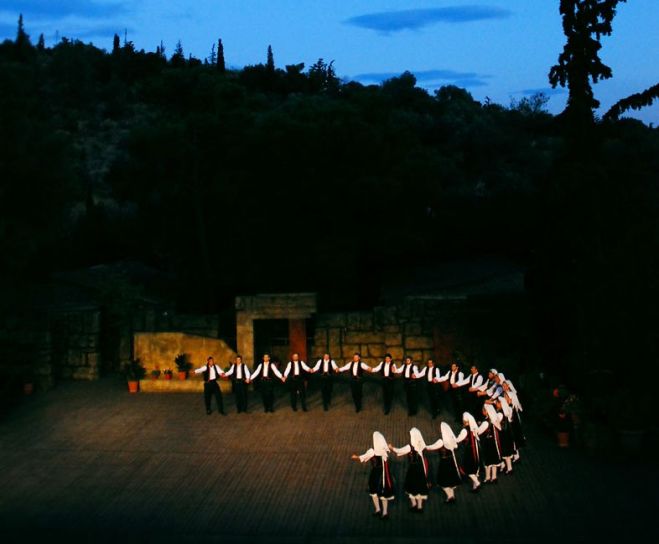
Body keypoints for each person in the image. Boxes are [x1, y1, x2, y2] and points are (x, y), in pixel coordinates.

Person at [389, 427, 443, 512]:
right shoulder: (423, 446)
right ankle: (419, 506)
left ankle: (414, 504)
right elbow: (432, 446)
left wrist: (392, 448)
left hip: (413, 469)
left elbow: (399, 451)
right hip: (421, 469)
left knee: (411, 486)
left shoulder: (410, 447)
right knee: (420, 486)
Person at [351, 431, 395, 520]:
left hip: (375, 474)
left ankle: (378, 509)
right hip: (383, 475)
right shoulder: (384, 453)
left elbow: (363, 457)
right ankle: (385, 512)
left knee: (374, 492)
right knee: (383, 493)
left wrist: (355, 457)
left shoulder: (372, 451)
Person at [456, 412, 486, 492]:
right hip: (475, 450)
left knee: (467, 469)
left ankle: (477, 483)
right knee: (474, 468)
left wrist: (452, 441)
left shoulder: (465, 430)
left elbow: (458, 439)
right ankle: (474, 487)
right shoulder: (473, 427)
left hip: (469, 452)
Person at [435, 422, 462, 503]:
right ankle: (452, 496)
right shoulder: (451, 440)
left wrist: (424, 446)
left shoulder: (441, 442)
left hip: (444, 464)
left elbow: (433, 447)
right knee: (451, 480)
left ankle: (450, 496)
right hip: (451, 462)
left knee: (444, 482)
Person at [481, 403, 503, 484]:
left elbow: (479, 432)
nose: (482, 411)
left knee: (488, 460)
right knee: (494, 460)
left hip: (488, 443)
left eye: (483, 410)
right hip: (495, 442)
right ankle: (494, 477)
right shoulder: (494, 419)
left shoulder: (486, 422)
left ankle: (487, 477)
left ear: (486, 412)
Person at [497, 397, 516, 474]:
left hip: (503, 435)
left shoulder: (500, 413)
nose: (496, 404)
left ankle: (508, 467)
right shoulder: (507, 411)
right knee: (507, 451)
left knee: (505, 451)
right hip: (508, 433)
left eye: (497, 403)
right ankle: (509, 467)